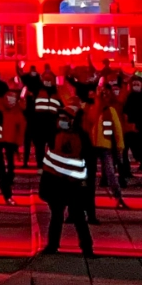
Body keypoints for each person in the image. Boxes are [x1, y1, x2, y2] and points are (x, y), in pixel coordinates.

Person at [39, 109, 93, 257]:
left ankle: (86, 247)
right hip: (58, 183)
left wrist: (85, 184)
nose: (62, 121)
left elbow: (88, 160)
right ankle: (53, 245)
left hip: (72, 184)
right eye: (60, 118)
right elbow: (49, 163)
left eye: (65, 118)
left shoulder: (80, 136)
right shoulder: (53, 135)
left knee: (77, 217)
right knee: (58, 216)